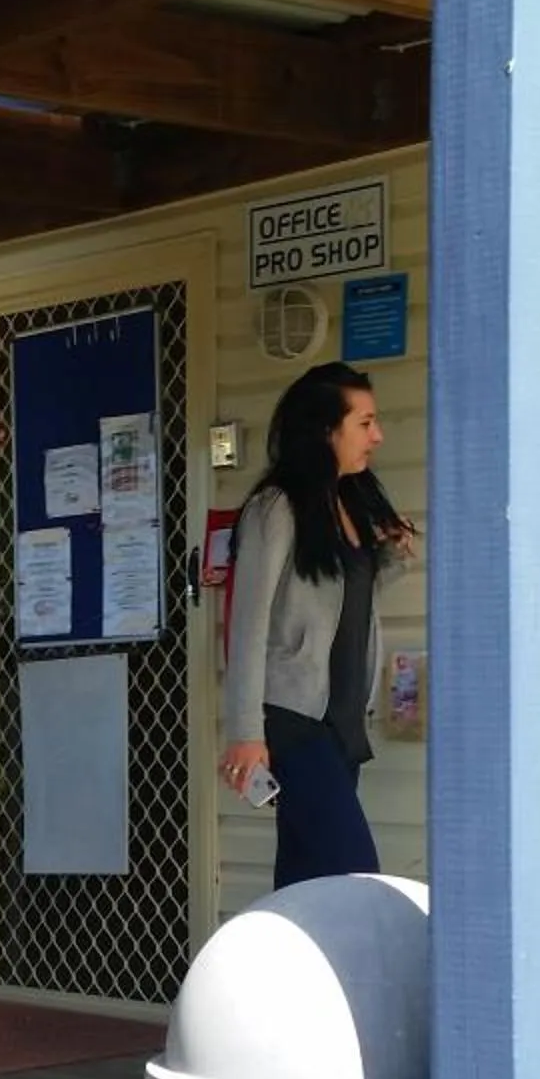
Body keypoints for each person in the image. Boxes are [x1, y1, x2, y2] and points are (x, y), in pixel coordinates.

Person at [219, 361, 420, 890]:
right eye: (364, 423)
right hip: (294, 719)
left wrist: (392, 556)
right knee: (354, 874)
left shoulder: (348, 502)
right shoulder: (277, 508)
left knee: (306, 881)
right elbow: (248, 623)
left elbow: (344, 603)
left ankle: (280, 974)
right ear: (326, 429)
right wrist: (245, 732)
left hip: (342, 723)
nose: (377, 436)